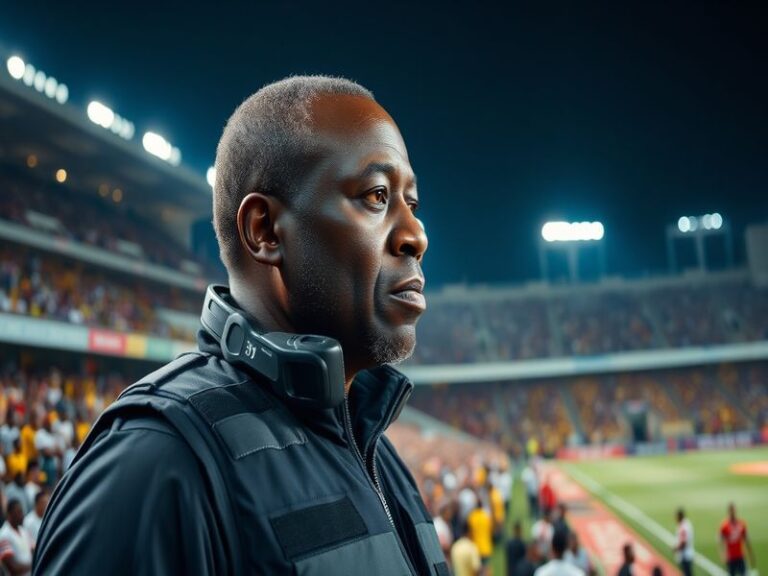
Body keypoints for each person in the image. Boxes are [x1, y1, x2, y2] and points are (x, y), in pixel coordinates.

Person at [33, 76, 442, 575]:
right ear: (265, 230)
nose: (415, 234)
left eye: (411, 203)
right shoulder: (157, 463)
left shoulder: (382, 456)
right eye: (376, 196)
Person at [719, 503, 756, 576]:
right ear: (728, 512)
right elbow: (721, 541)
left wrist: (751, 554)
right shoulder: (724, 526)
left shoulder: (741, 524)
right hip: (730, 557)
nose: (733, 512)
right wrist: (723, 555)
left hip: (740, 556)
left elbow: (746, 540)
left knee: (744, 573)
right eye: (731, 510)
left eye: (734, 510)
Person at [0, 498, 33, 576]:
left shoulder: (23, 530)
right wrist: (34, 565)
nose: (22, 515)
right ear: (9, 514)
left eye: (21, 512)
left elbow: (33, 550)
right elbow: (13, 569)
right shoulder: (4, 534)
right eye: (18, 512)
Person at [468, 500, 494, 569]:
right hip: (486, 546)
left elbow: (470, 531)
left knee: (478, 569)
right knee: (486, 568)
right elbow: (491, 529)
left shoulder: (472, 516)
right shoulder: (486, 515)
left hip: (476, 547)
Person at [674, 508, 694, 576]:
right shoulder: (686, 524)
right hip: (687, 555)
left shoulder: (683, 527)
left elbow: (684, 542)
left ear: (679, 516)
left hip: (685, 556)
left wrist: (676, 548)